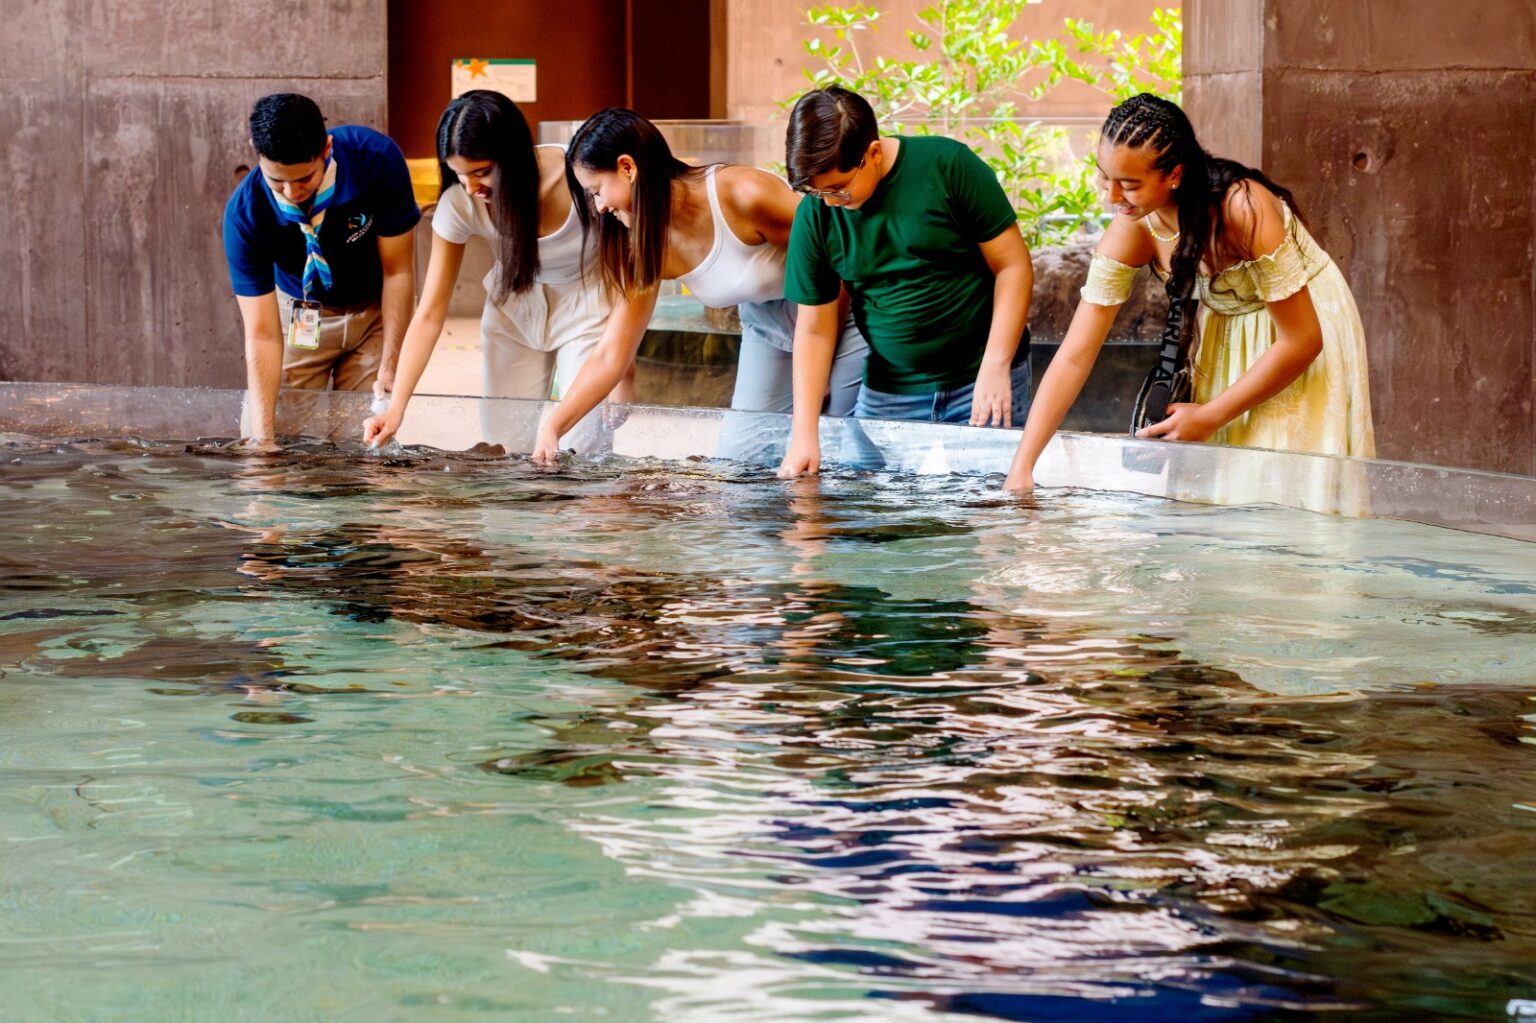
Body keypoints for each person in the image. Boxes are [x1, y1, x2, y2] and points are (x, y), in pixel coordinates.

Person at [1004, 93, 1375, 493]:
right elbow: (1075, 355)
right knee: (1222, 494)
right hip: (1225, 333)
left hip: (1299, 328)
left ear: (1174, 175)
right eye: (1104, 178)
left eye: (1128, 185)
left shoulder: (1242, 208)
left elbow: (1303, 339)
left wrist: (1210, 415)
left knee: (1280, 483)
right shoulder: (1134, 226)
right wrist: (1022, 467)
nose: (1111, 198)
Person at [528, 108, 868, 464]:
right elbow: (611, 354)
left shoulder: (742, 193)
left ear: (628, 168)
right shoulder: (642, 244)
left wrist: (819, 369)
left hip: (838, 312)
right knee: (741, 462)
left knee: (835, 443)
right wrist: (554, 426)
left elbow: (835, 262)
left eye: (597, 190)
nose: (598, 207)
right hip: (766, 325)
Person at [774, 85, 1035, 479]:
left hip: (982, 380)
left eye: (839, 191)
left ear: (873, 154)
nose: (829, 203)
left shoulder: (949, 166)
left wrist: (995, 364)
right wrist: (804, 434)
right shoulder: (817, 212)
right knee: (863, 524)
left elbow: (1013, 266)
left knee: (988, 516)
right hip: (888, 391)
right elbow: (814, 328)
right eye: (817, 191)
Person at [364, 90, 632, 451]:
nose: (472, 188)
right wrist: (396, 409)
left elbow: (628, 273)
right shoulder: (459, 203)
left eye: (482, 172)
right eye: (459, 175)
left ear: (513, 156)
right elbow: (429, 312)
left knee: (582, 445)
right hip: (513, 310)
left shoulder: (577, 179)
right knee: (505, 447)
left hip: (589, 306)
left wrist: (623, 369)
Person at [224, 93, 419, 445]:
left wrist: (391, 365)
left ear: (326, 148)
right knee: (273, 439)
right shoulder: (245, 213)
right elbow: (262, 334)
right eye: (276, 180)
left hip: (373, 315)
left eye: (304, 179)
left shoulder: (375, 159)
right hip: (297, 316)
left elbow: (399, 271)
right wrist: (264, 443)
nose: (291, 191)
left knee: (363, 446)